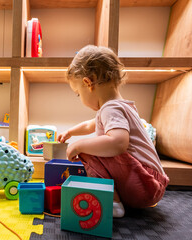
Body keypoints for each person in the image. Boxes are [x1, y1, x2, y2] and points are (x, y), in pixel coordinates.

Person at [57, 45, 169, 218]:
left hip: (145, 183)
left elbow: (118, 143)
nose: (80, 98)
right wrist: (71, 132)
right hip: (151, 181)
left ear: (88, 83)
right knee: (96, 144)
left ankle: (112, 203)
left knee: (89, 151)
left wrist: (78, 146)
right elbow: (91, 124)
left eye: (78, 93)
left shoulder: (111, 109)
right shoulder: (121, 106)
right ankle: (116, 199)